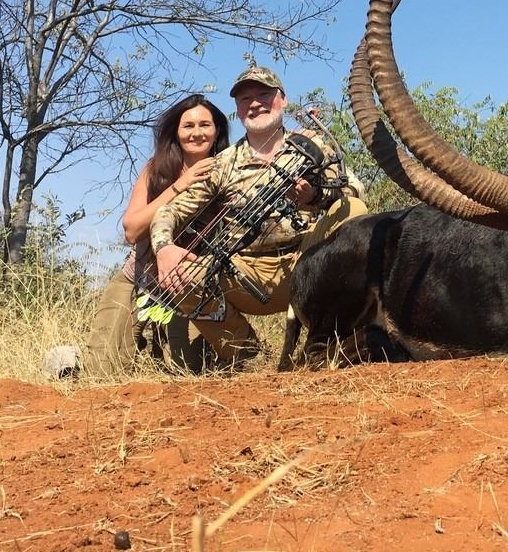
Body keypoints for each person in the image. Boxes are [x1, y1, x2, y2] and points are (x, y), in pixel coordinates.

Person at [149, 65, 367, 368]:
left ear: (283, 100)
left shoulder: (313, 146)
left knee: (354, 210)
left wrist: (315, 196)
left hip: (307, 263)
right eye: (245, 98)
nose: (255, 103)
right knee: (182, 276)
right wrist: (163, 248)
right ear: (238, 110)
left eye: (264, 94)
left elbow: (355, 190)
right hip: (245, 271)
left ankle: (332, 342)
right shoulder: (222, 163)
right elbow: (169, 211)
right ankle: (247, 360)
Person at [43, 93, 231, 380]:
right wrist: (181, 185)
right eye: (188, 126)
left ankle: (150, 347)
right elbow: (132, 229)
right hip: (139, 279)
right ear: (176, 132)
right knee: (102, 373)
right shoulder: (156, 169)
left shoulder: (228, 171)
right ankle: (68, 359)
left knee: (188, 371)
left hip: (188, 288)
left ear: (217, 130)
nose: (196, 133)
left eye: (205, 125)